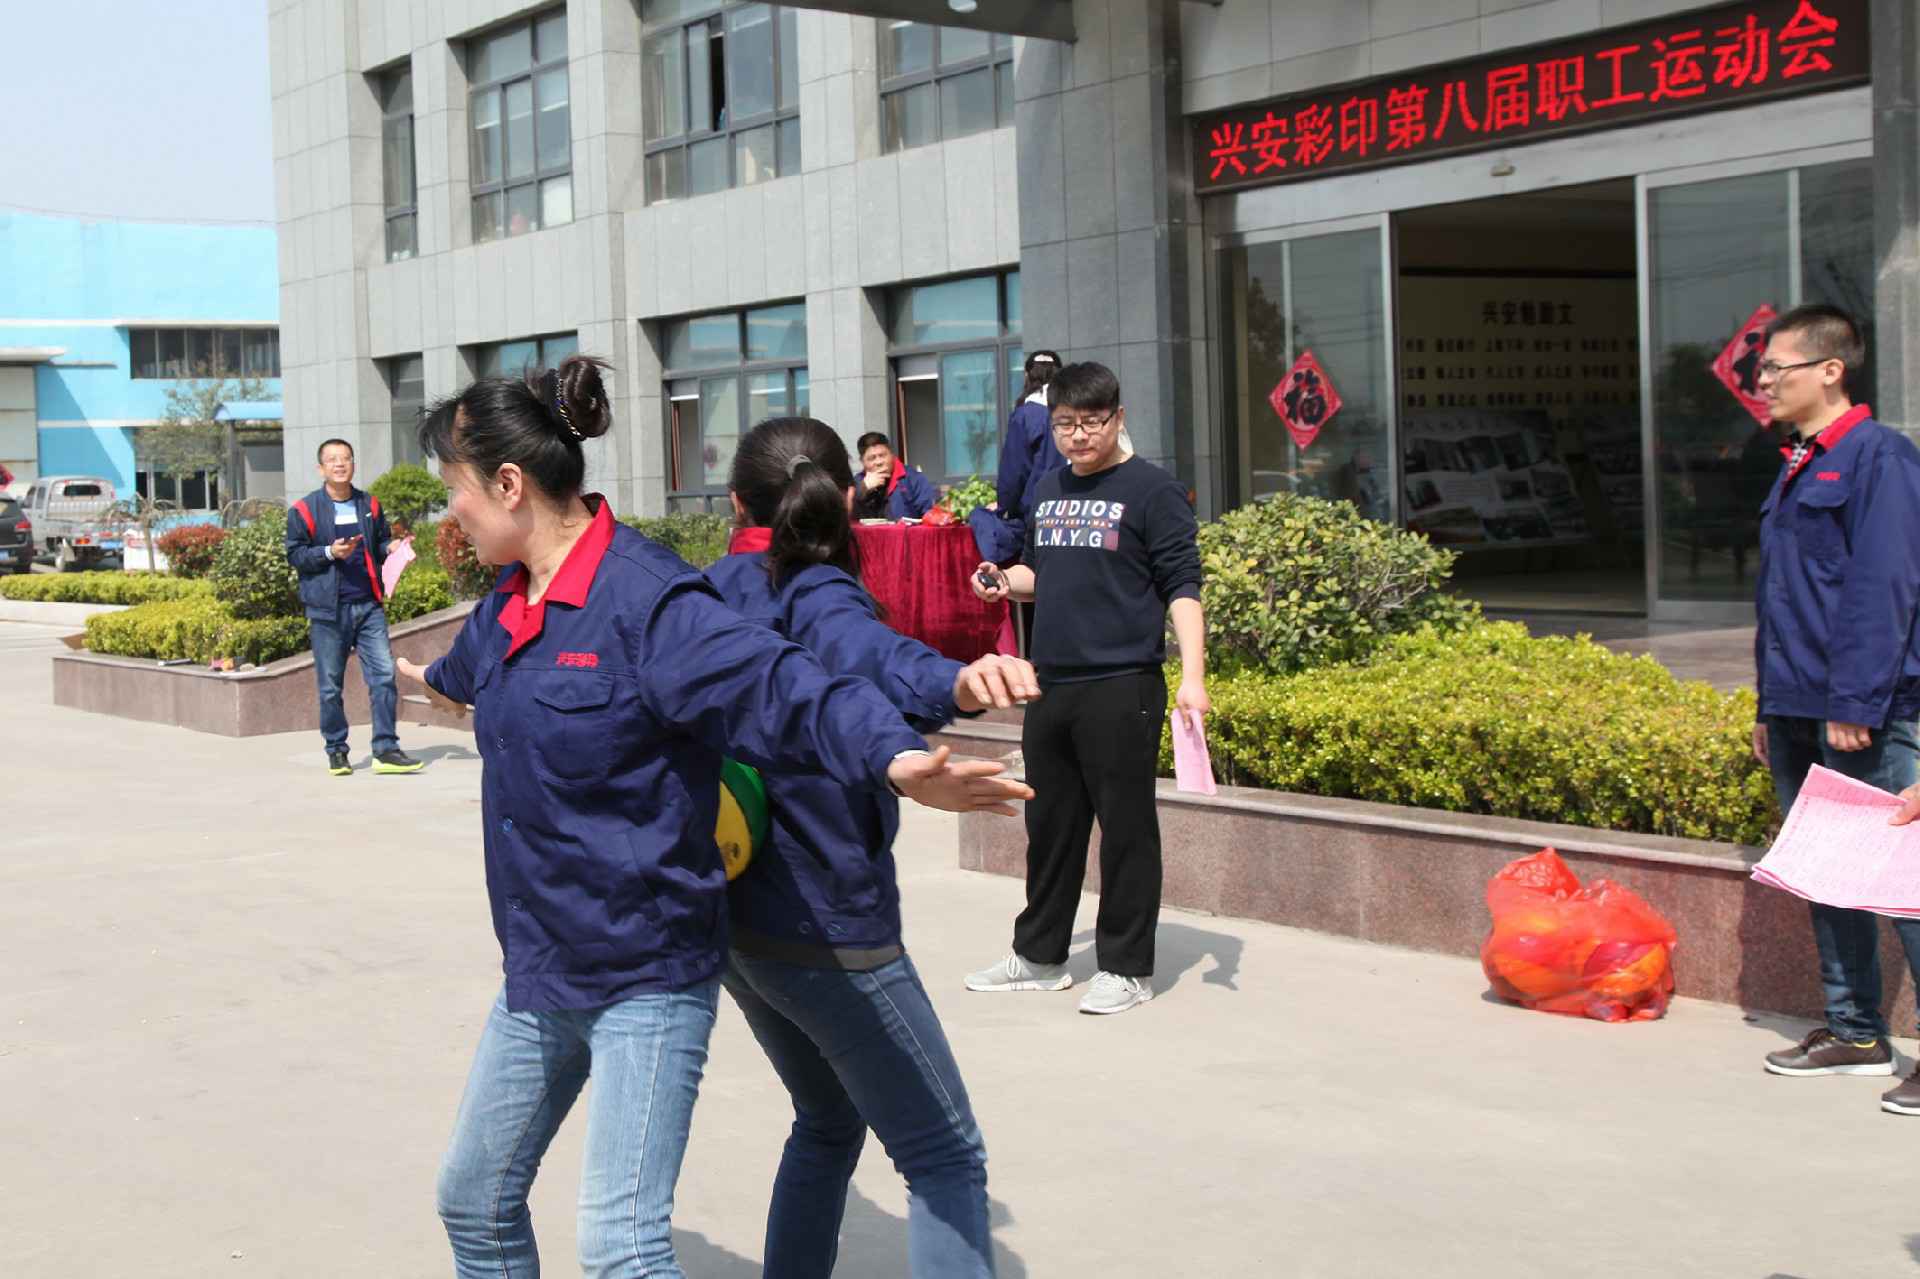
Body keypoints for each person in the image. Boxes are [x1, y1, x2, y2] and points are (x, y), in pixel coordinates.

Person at [390, 356, 1031, 1277]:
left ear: (508, 484)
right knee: (474, 1201)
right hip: (543, 962)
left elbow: (786, 685)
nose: (449, 511)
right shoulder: (512, 600)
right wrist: (421, 680)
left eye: (454, 488)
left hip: (646, 971)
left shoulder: (650, 600)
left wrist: (895, 757)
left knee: (623, 1250)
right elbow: (469, 673)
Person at [708, 416, 1040, 1278]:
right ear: (847, 500)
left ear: (736, 502)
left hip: (733, 921)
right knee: (944, 1154)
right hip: (826, 924)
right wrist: (956, 679)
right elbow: (870, 653)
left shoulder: (704, 592)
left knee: (827, 1119)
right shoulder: (816, 590)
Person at [966, 362, 1209, 1016]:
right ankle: (1040, 956)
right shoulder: (1047, 488)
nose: (1078, 435)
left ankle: (1127, 967)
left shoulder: (1153, 491)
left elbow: (1182, 585)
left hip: (1122, 683)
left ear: (1118, 418)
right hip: (1051, 683)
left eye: (1092, 422)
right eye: (1065, 424)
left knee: (1126, 829)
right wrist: (1002, 580)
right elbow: (1040, 573)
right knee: (1050, 825)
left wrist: (1192, 677)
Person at [1745, 305, 1920, 1117]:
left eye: (1776, 367)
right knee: (1831, 874)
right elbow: (1783, 597)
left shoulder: (1879, 457)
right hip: (1797, 706)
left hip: (1861, 710)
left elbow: (1887, 586)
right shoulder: (1796, 463)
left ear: (1830, 370)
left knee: (1903, 882)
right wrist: (1769, 703)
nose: (1763, 381)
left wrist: (1855, 699)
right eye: (1762, 369)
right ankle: (1854, 1030)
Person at [284, 437, 422, 777]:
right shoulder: (303, 510)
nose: (339, 464)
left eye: (345, 458)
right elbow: (295, 555)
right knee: (330, 687)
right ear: (321, 468)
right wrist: (329, 552)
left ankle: (385, 750)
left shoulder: (369, 504)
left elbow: (378, 543)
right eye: (332, 459)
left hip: (368, 606)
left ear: (353, 465)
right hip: (327, 611)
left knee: (384, 677)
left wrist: (391, 548)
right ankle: (336, 750)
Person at [969, 350, 1065, 566]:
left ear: (1027, 376)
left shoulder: (1027, 414)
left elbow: (1014, 472)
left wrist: (1005, 507)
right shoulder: (1071, 413)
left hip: (1037, 512)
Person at [852, 432, 937, 520]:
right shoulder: (857, 481)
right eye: (872, 458)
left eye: (882, 455)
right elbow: (846, 515)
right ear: (862, 461)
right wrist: (863, 487)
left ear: (892, 455)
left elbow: (931, 514)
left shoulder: (913, 479)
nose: (879, 462)